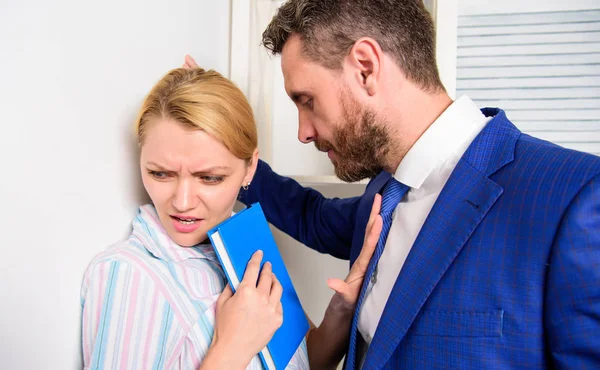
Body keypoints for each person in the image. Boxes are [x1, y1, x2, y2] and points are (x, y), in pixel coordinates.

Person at [186, 0, 600, 368]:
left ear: (365, 67)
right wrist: (227, 155)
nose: (303, 132)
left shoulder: (575, 198)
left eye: (306, 100)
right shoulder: (382, 194)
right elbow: (310, 216)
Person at [80, 67, 384, 370]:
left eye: (210, 178)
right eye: (160, 173)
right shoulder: (130, 275)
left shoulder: (246, 239)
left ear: (250, 168)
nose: (182, 202)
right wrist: (231, 348)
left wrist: (344, 311)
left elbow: (305, 363)